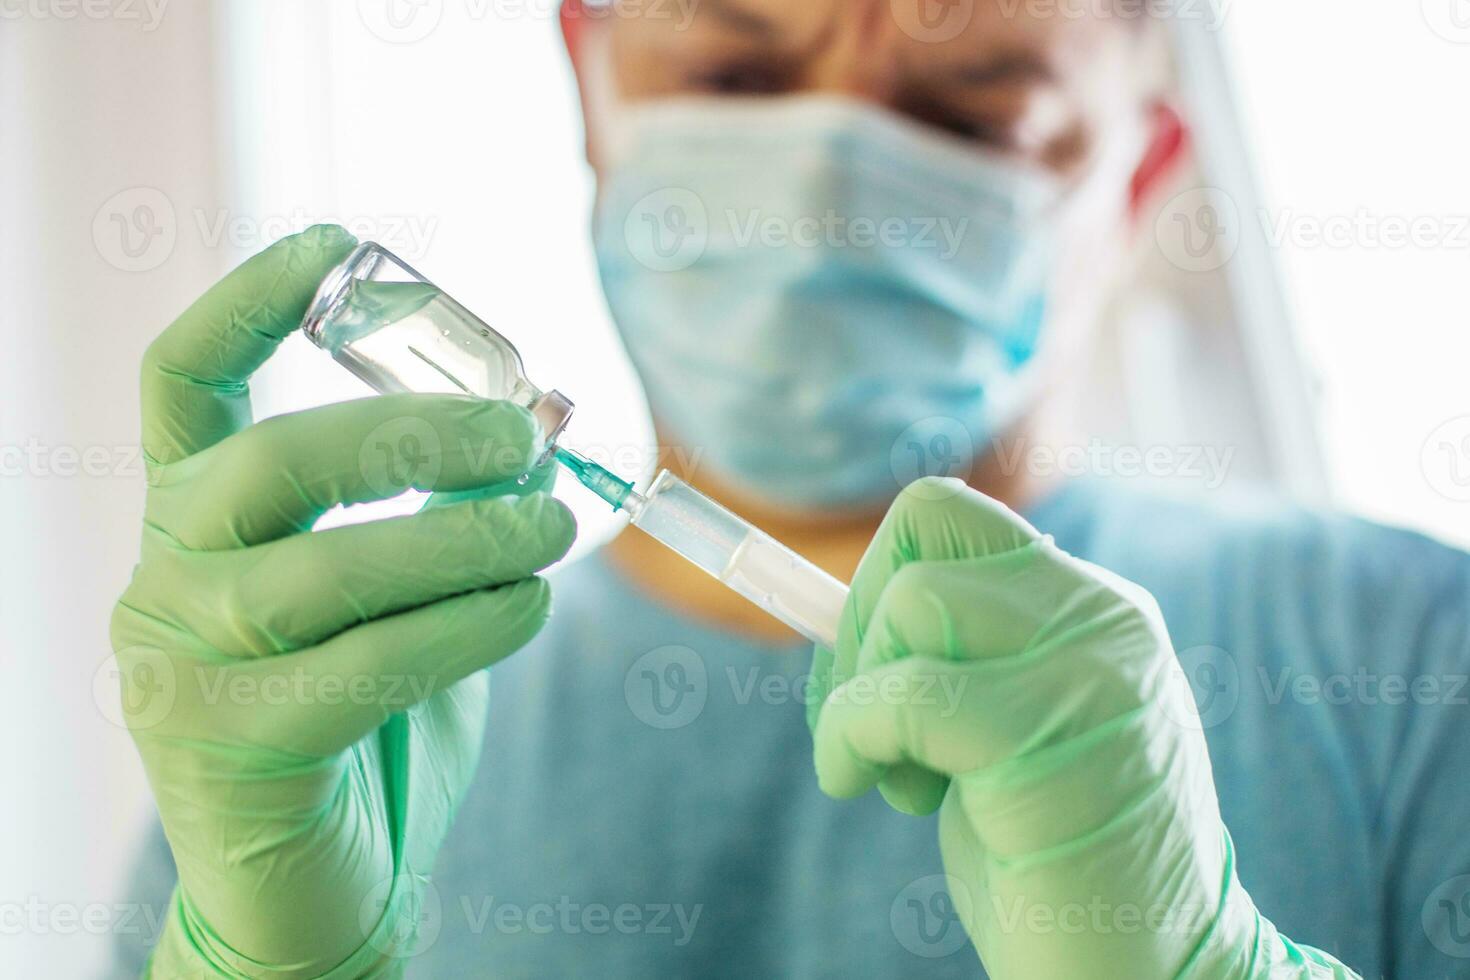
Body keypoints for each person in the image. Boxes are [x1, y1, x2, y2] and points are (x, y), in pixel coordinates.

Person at [110, 1, 1469, 977]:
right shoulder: (322, 742)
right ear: (589, 71)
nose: (821, 191)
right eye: (733, 75)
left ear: (1136, 168)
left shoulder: (1408, 662)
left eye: (967, 110)